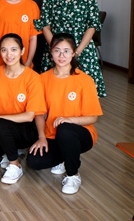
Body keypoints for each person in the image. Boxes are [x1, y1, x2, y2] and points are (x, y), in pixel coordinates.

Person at [27, 33, 103, 195]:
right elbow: (39, 113)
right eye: (57, 51)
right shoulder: (42, 79)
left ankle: (72, 174)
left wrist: (69, 120)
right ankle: (65, 156)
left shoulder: (85, 80)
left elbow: (93, 117)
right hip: (52, 135)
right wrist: (41, 137)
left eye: (66, 51)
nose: (62, 55)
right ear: (51, 52)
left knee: (65, 129)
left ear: (74, 53)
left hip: (80, 133)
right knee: (34, 161)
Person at [0, 34, 46, 185]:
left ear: (22, 51)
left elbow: (30, 116)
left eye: (14, 49)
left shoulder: (33, 77)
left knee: (0, 124)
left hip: (25, 129)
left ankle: (15, 165)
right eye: (4, 50)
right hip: (0, 126)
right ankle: (9, 149)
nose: (9, 54)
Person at [35, 0, 106, 97]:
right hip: (56, 52)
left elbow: (92, 25)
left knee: (85, 94)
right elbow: (45, 25)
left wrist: (76, 52)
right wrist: (57, 49)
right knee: (52, 94)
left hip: (83, 50)